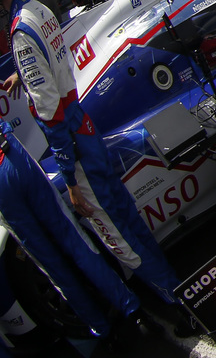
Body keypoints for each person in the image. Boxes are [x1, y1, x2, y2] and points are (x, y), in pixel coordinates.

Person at [2, 0, 183, 304]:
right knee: (128, 217)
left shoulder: (20, 30)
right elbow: (50, 63)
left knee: (120, 239)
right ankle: (174, 285)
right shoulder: (39, 9)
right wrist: (22, 76)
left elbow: (50, 111)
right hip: (85, 128)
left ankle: (176, 303)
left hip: (72, 142)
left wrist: (68, 179)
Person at [0, 119, 149, 344]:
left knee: (52, 265)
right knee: (76, 241)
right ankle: (132, 308)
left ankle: (102, 330)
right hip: (11, 154)